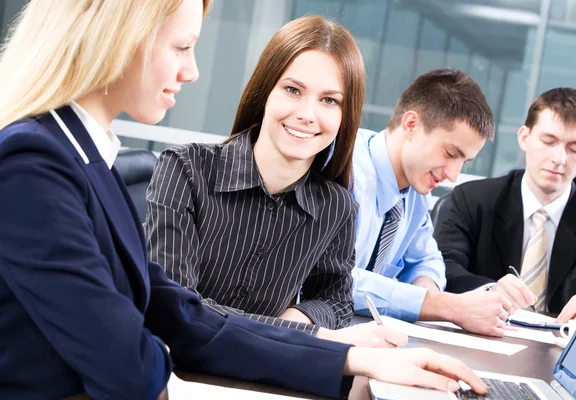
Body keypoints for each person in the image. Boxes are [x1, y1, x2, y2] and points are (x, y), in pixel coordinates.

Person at [0, 1, 488, 399]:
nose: (192, 71)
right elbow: (130, 361)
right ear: (121, 37)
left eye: (330, 100)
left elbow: (177, 312)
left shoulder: (89, 159)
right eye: (182, 46)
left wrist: (355, 357)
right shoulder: (35, 161)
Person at [146, 16, 360, 336]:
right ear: (265, 92)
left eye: (329, 100)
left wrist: (300, 318)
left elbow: (336, 300)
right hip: (172, 366)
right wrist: (288, 332)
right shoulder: (186, 169)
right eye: (292, 90)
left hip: (263, 375)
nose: (307, 114)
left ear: (346, 115)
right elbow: (175, 308)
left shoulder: (336, 207)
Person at [352, 68, 515, 337]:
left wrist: (425, 292)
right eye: (450, 153)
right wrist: (447, 306)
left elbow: (427, 261)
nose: (453, 174)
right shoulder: (342, 169)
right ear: (411, 125)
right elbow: (333, 279)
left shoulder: (414, 193)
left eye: (464, 162)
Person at [435, 88, 576, 323]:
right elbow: (443, 266)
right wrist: (488, 290)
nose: (559, 159)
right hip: (482, 337)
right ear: (524, 137)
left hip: (559, 347)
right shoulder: (473, 199)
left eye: (574, 149)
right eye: (548, 141)